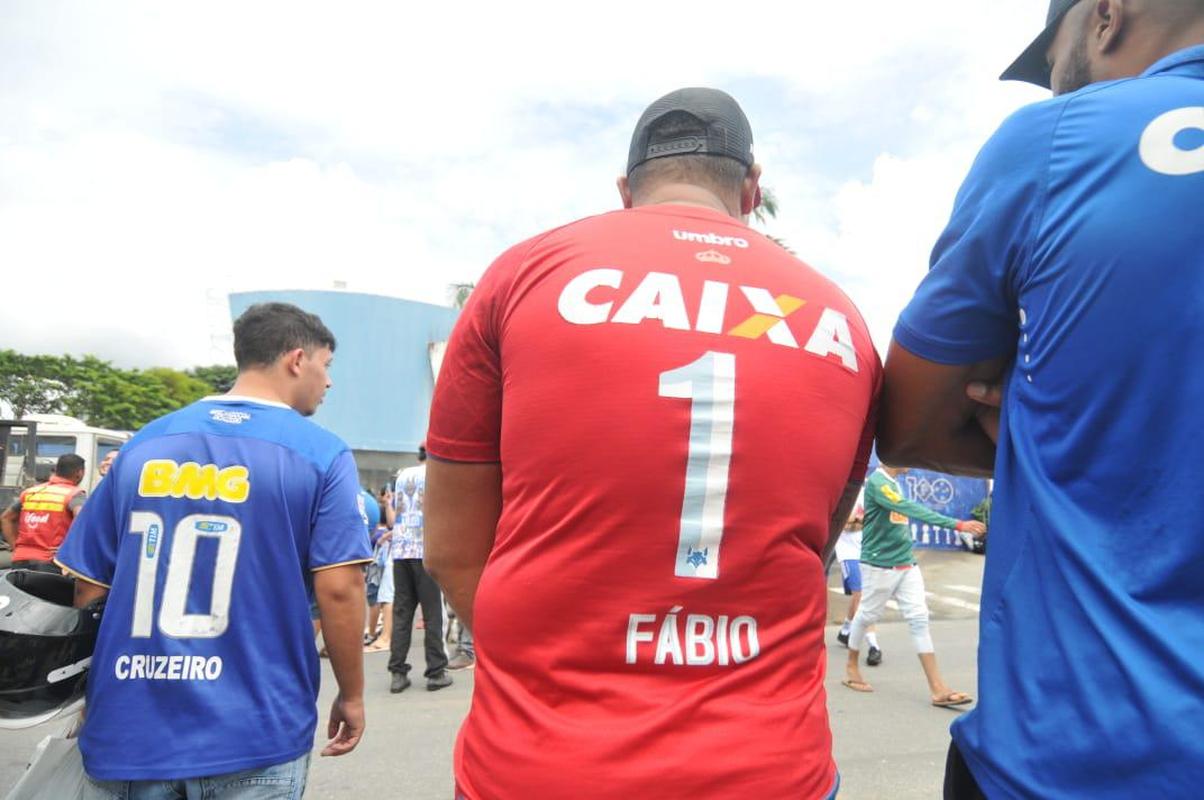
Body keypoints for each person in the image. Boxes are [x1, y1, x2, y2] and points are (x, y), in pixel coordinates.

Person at [423, 87, 880, 800]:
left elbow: (453, 550)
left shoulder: (524, 274)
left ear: (625, 190)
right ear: (751, 189)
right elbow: (816, 543)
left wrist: (556, 658)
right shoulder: (842, 320)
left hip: (542, 764)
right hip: (768, 766)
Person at [878, 2, 1204, 797]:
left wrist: (1042, 415)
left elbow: (909, 425)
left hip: (1078, 753)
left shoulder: (1060, 138)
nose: (1057, 82)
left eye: (1053, 57)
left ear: (1104, 18)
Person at [54, 302, 371, 798]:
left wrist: (90, 691)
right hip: (255, 723)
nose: (328, 382)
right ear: (296, 360)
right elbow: (340, 588)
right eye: (325, 366)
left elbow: (92, 582)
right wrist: (352, 694)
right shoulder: (321, 453)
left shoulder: (145, 444)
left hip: (133, 724)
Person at [841, 466, 984, 704]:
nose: (912, 462)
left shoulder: (896, 482)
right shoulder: (879, 482)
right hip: (880, 564)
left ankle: (938, 688)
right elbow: (908, 508)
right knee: (866, 615)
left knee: (919, 619)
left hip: (906, 563)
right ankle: (851, 667)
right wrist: (958, 525)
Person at [387, 445, 451, 692]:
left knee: (402, 612)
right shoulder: (435, 476)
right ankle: (436, 671)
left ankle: (397, 672)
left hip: (401, 550)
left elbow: (395, 513)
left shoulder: (403, 475)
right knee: (432, 612)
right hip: (426, 549)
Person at [1, 453, 87, 573]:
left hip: (20, 560)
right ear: (80, 473)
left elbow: (6, 518)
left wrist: (17, 548)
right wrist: (67, 549)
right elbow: (82, 518)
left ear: (56, 470)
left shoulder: (30, 492)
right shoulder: (74, 494)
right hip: (51, 562)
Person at [833, 510, 882, 666]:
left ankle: (845, 630)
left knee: (860, 596)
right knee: (861, 595)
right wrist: (859, 521)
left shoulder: (868, 491)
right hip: (848, 554)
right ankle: (873, 645)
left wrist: (858, 521)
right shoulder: (846, 493)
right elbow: (844, 525)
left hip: (866, 552)